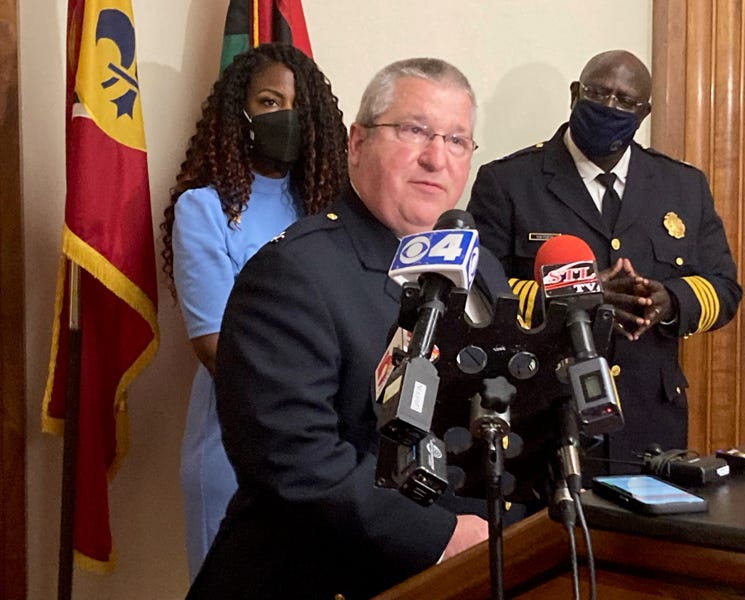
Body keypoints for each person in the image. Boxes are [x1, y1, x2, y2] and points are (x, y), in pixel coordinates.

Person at [187, 58, 512, 600]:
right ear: (357, 142)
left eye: (457, 140)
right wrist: (440, 536)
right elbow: (295, 460)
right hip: (314, 576)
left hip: (469, 572)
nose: (437, 158)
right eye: (414, 131)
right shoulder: (293, 272)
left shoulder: (483, 268)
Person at [467, 49, 742, 472]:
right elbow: (480, 288)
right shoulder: (508, 182)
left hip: (650, 423)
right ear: (576, 94)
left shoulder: (683, 186)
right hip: (546, 419)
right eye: (599, 93)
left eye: (625, 101)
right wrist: (574, 296)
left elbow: (723, 287)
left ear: (644, 112)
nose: (610, 107)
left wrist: (668, 300)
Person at [159, 43, 348, 580]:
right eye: (268, 101)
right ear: (238, 112)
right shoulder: (204, 207)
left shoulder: (328, 207)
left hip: (326, 452)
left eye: (295, 105)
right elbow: (216, 347)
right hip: (232, 448)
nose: (283, 116)